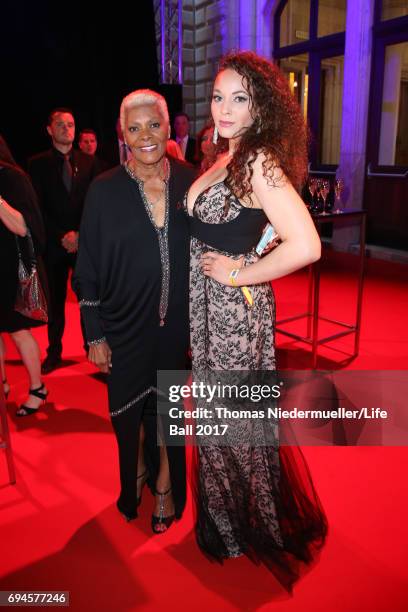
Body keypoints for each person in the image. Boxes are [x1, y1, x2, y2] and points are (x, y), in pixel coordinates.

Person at [185, 51, 328, 592]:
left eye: (237, 98)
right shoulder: (226, 157)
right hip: (207, 310)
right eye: (218, 96)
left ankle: (253, 523)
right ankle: (229, 518)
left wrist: (240, 276)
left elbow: (307, 245)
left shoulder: (259, 162)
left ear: (259, 106)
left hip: (233, 316)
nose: (223, 108)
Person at [73, 89, 196, 533]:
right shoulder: (104, 191)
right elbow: (86, 268)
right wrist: (95, 334)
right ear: (121, 134)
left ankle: (164, 482)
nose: (145, 136)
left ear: (169, 127)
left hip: (176, 328)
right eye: (134, 127)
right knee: (130, 418)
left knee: (169, 415)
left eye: (154, 125)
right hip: (123, 328)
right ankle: (136, 476)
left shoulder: (191, 181)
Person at [28, 108, 96, 374]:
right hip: (54, 245)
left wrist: (79, 234)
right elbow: (36, 207)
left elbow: (95, 205)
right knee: (55, 302)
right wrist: (61, 236)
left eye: (71, 124)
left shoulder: (90, 162)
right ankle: (54, 352)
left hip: (84, 242)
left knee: (88, 299)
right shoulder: (37, 164)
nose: (67, 129)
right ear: (49, 129)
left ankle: (92, 349)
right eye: (60, 124)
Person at [0, 147, 49, 416]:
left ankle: (37, 388)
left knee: (19, 332)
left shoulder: (13, 177)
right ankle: (2, 384)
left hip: (11, 269)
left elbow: (24, 226)